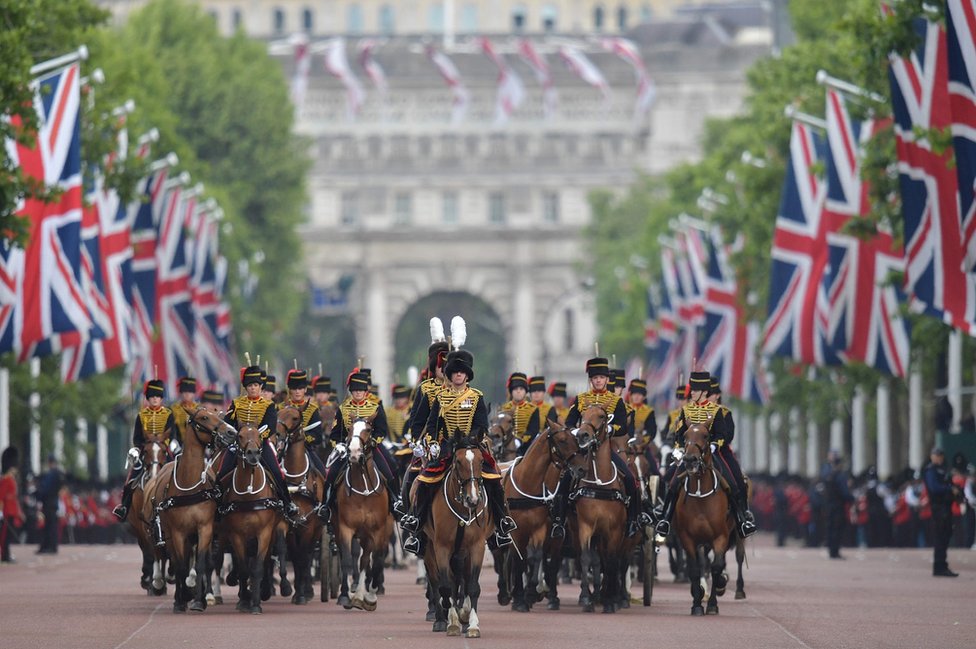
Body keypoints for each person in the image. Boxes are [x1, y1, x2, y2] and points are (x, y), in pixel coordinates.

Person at [400, 349, 517, 556]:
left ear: (467, 375)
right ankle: (416, 523)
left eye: (462, 372)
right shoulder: (440, 397)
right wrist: (432, 441)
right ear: (451, 375)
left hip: (472, 445)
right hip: (447, 447)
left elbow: (481, 424)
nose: (458, 375)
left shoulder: (476, 397)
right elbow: (432, 425)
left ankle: (501, 522)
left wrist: (472, 440)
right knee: (425, 480)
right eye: (455, 372)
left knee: (494, 478)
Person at [550, 356, 647, 540]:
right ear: (591, 380)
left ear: (607, 380)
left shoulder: (615, 401)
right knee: (564, 482)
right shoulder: (581, 400)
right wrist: (578, 431)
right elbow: (569, 423)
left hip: (606, 451)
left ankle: (634, 520)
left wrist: (610, 428)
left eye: (601, 377)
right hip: (584, 452)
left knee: (630, 480)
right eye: (595, 378)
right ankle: (559, 522)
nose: (598, 381)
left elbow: (622, 426)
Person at [654, 371, 757, 540]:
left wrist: (716, 445)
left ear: (702, 391)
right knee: (672, 482)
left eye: (694, 390)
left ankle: (742, 519)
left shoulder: (717, 411)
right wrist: (680, 448)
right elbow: (679, 434)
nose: (691, 393)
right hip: (690, 454)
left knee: (734, 480)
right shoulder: (686, 411)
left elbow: (723, 434)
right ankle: (665, 519)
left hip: (715, 453)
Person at [216, 365, 298, 525]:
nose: (253, 388)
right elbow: (228, 424)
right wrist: (239, 438)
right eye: (250, 386)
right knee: (221, 473)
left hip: (260, 444)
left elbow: (270, 427)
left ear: (261, 387)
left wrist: (256, 439)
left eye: (255, 385)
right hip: (239, 445)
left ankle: (287, 504)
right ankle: (218, 507)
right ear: (246, 388)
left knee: (276, 472)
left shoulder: (268, 405)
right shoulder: (236, 403)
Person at [321, 371, 403, 523]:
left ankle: (396, 500)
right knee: (331, 473)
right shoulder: (343, 409)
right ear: (351, 391)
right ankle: (325, 505)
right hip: (348, 448)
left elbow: (381, 430)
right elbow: (335, 433)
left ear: (366, 391)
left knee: (390, 467)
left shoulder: (375, 407)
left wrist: (373, 442)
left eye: (361, 390)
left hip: (371, 446)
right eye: (355, 390)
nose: (358, 392)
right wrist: (338, 445)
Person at [113, 378, 175, 521]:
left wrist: (165, 443)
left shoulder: (168, 414)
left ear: (161, 398)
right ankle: (124, 506)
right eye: (152, 397)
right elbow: (137, 438)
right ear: (148, 398)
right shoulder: (141, 415)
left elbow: (172, 434)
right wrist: (139, 448)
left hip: (163, 450)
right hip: (146, 451)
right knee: (131, 479)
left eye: (157, 397)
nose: (155, 399)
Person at [281, 369, 327, 479]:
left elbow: (318, 437)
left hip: (306, 448)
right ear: (289, 390)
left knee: (323, 473)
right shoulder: (280, 408)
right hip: (283, 449)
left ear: (305, 389)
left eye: (300, 388)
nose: (297, 391)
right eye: (294, 388)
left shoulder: (312, 409)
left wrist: (302, 438)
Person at [924, 447, 961, 576]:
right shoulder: (931, 470)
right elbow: (934, 488)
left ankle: (942, 564)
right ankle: (939, 566)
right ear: (932, 456)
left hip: (946, 506)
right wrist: (949, 489)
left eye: (940, 455)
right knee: (940, 537)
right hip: (938, 508)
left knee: (945, 536)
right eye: (936, 455)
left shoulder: (944, 470)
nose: (938, 458)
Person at [499, 372, 543, 454]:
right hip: (505, 446)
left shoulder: (533, 409)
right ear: (511, 392)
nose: (518, 392)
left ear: (525, 392)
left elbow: (533, 430)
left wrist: (520, 441)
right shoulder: (504, 408)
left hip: (527, 447)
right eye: (515, 389)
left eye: (521, 389)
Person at [822, 449, 853, 559]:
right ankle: (834, 551)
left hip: (829, 505)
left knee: (830, 528)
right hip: (838, 505)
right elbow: (844, 492)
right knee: (837, 528)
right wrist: (851, 499)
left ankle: (831, 550)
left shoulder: (828, 476)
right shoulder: (840, 476)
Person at [1, 447, 25, 563]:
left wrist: (19, 512)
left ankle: (6, 554)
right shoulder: (6, 479)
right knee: (5, 535)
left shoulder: (11, 479)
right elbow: (1, 496)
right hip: (6, 510)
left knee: (9, 535)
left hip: (12, 510)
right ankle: (5, 555)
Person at [36, 454, 64, 554]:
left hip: (48, 502)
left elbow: (45, 489)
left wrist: (38, 495)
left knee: (49, 526)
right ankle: (50, 546)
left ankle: (50, 547)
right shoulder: (58, 473)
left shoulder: (52, 474)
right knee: (51, 526)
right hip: (53, 502)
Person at [168, 376, 198, 453]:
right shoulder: (173, 409)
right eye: (185, 392)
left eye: (190, 392)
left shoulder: (199, 409)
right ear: (181, 393)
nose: (187, 394)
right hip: (178, 445)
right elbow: (171, 429)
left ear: (194, 393)